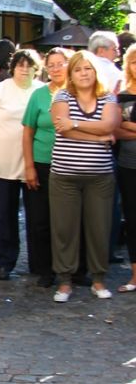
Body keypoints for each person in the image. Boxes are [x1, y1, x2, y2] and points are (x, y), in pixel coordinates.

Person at [49, 50, 119, 303]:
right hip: (64, 175)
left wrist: (76, 125)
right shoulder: (62, 95)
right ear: (71, 74)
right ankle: (65, 281)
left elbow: (109, 126)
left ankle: (98, 278)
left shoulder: (108, 97)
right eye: (78, 69)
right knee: (64, 230)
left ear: (95, 71)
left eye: (88, 68)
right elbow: (61, 129)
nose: (83, 73)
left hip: (100, 176)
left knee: (99, 229)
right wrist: (99, 137)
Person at [0, 49, 44, 280]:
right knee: (4, 216)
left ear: (36, 68)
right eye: (20, 64)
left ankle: (39, 263)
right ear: (13, 67)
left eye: (29, 65)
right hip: (4, 163)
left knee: (37, 217)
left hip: (35, 164)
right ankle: (5, 262)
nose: (24, 68)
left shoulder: (41, 91)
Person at [22, 48, 71, 287]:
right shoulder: (38, 95)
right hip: (42, 163)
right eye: (51, 65)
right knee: (41, 219)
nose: (55, 69)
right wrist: (29, 166)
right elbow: (28, 131)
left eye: (60, 64)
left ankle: (72, 268)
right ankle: (45, 269)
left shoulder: (77, 92)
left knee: (69, 220)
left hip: (73, 164)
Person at [114, 43, 136, 292]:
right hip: (128, 166)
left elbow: (121, 125)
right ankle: (134, 275)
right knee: (132, 219)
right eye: (133, 61)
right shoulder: (122, 95)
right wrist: (125, 128)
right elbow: (114, 129)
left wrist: (127, 126)